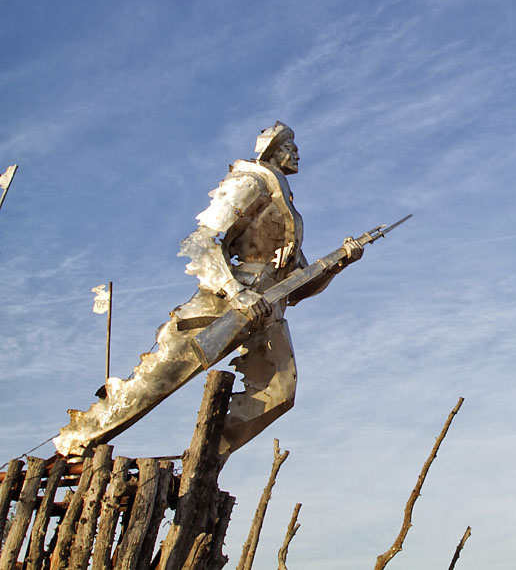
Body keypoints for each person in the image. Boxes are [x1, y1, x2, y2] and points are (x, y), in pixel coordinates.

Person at [54, 122, 362, 458]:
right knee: (156, 382)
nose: (297, 152)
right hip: (226, 302)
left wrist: (342, 261)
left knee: (278, 393)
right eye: (290, 146)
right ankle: (76, 441)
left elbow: (299, 285)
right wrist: (234, 290)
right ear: (272, 151)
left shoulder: (286, 208)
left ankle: (204, 459)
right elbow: (202, 241)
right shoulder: (250, 182)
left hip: (268, 310)